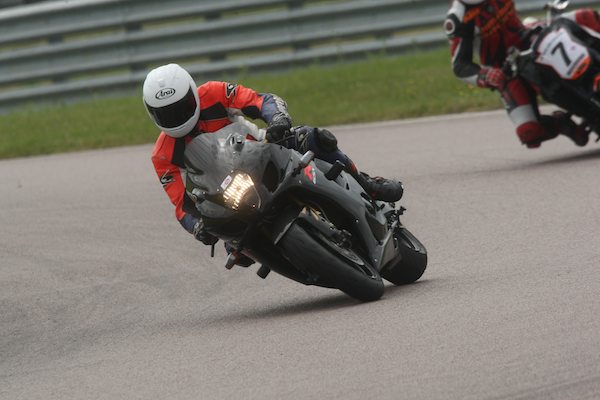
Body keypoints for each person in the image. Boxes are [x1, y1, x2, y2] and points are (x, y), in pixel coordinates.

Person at [143, 63, 403, 262]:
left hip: (264, 151)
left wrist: (277, 118)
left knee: (314, 138)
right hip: (228, 195)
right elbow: (181, 205)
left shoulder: (213, 93)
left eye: (183, 106)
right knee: (235, 248)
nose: (177, 117)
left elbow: (260, 100)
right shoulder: (162, 155)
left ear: (193, 93)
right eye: (167, 114)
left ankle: (367, 184)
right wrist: (197, 227)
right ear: (152, 114)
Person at [444, 0, 600, 148]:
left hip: (531, 37)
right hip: (506, 69)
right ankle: (562, 124)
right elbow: (460, 65)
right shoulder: (458, 17)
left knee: (585, 16)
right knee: (529, 132)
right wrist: (486, 75)